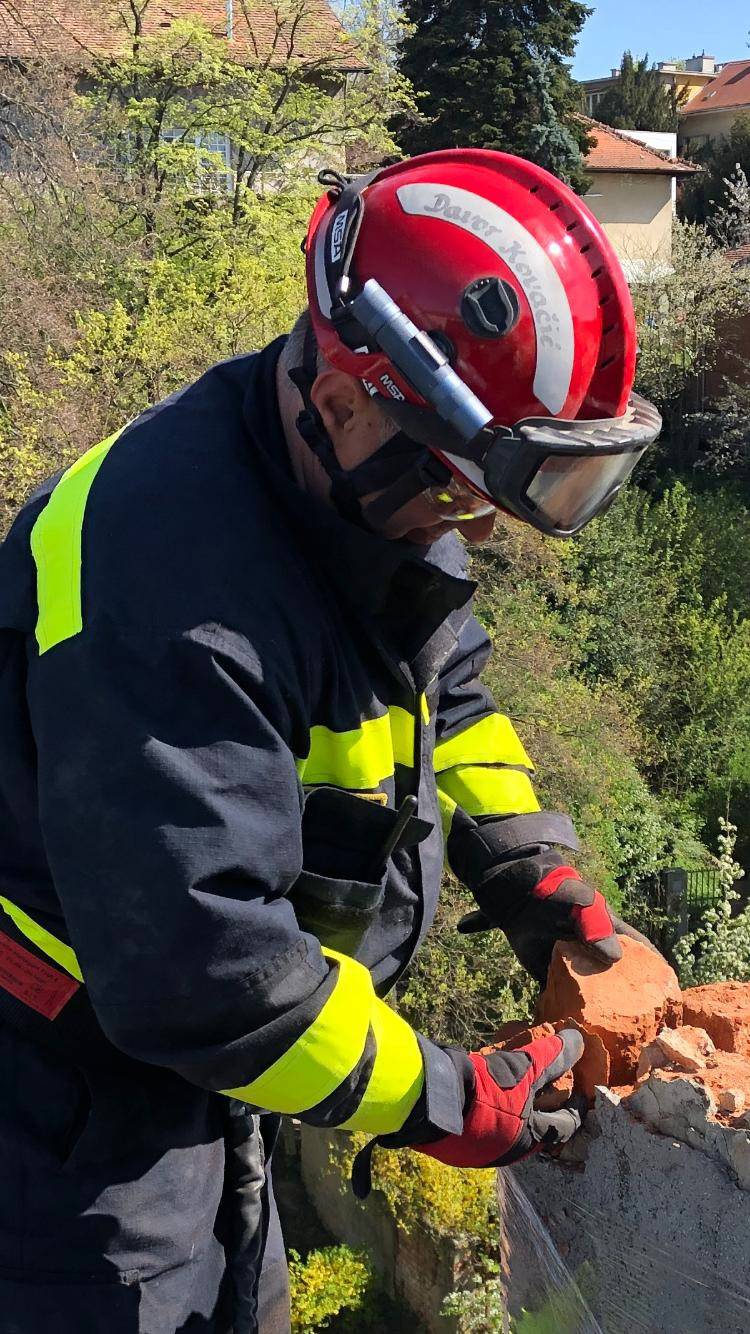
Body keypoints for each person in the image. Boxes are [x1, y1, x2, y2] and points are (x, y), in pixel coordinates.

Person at [0, 148, 662, 1333]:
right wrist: (445, 1096)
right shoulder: (166, 588)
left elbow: (441, 682)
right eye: (459, 497)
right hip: (64, 1094)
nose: (467, 532)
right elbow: (207, 971)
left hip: (207, 1056)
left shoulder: (368, 483)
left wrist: (527, 859)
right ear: (349, 399)